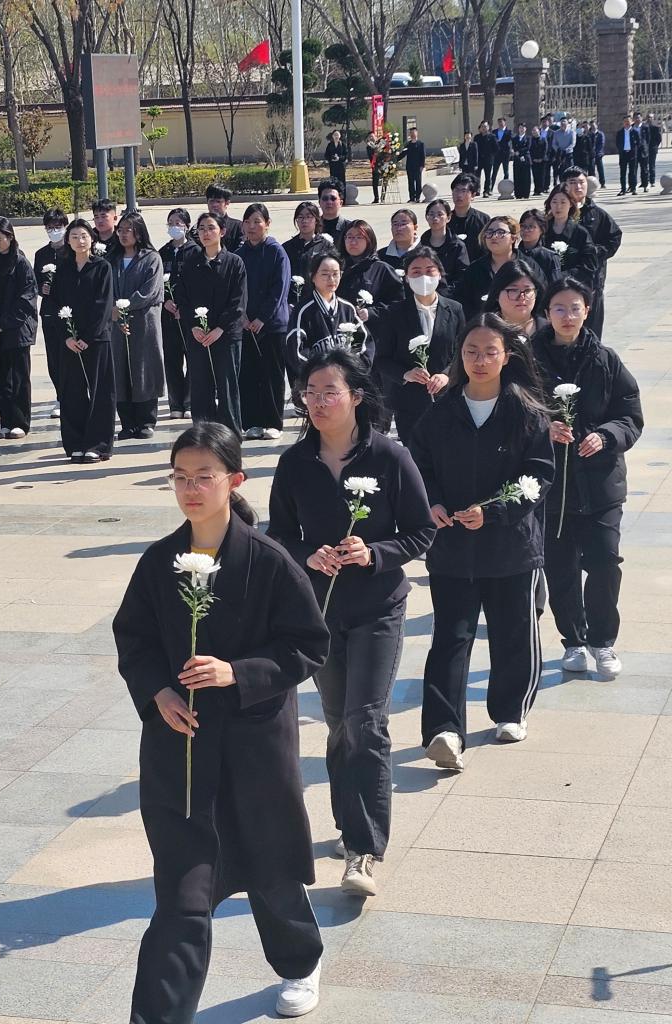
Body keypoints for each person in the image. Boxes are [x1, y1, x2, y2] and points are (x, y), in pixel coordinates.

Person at [114, 421, 330, 1024]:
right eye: (180, 477)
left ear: (234, 481)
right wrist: (158, 691)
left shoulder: (269, 561)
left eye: (204, 477)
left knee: (270, 870)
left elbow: (308, 646)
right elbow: (133, 639)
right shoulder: (159, 561)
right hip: (179, 749)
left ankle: (300, 962)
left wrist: (237, 672)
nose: (190, 489)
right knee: (181, 896)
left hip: (254, 745)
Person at [268, 349, 434, 896]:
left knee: (366, 722)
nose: (317, 402)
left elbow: (421, 532)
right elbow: (278, 535)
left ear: (356, 397)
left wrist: (375, 553)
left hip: (378, 608)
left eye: (329, 392)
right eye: (309, 392)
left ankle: (364, 849)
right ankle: (349, 826)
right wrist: (307, 555)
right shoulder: (295, 462)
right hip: (320, 612)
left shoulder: (390, 457)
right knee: (340, 724)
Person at [410, 314, 554, 769]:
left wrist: (493, 512)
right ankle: (443, 729)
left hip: (511, 547)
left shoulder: (526, 413)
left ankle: (510, 711)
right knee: (450, 638)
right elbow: (417, 465)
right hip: (452, 546)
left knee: (513, 634)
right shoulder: (442, 411)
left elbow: (538, 476)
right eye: (471, 351)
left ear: (506, 357)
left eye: (490, 352)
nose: (480, 360)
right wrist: (431, 502)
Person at [531, 278, 643, 680]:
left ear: (587, 311)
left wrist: (607, 435)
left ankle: (603, 641)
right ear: (547, 313)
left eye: (574, 308)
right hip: (553, 486)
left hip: (600, 483)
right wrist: (543, 428)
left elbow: (630, 414)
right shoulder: (528, 359)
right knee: (560, 567)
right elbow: (513, 409)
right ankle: (574, 641)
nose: (567, 316)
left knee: (605, 562)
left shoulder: (605, 359)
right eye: (559, 308)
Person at [378, 247, 465, 443]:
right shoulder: (394, 312)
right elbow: (382, 359)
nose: (423, 277)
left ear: (439, 274)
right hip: (409, 403)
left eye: (429, 270)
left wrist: (447, 374)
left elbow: (462, 351)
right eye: (416, 272)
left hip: (447, 399)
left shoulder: (455, 309)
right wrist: (405, 374)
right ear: (407, 277)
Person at [173, 211, 247, 437]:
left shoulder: (234, 262)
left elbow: (238, 302)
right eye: (202, 229)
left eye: (211, 228)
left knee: (227, 386)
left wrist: (219, 328)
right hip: (197, 335)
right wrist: (193, 326)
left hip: (226, 335)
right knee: (201, 385)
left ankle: (230, 436)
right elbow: (182, 298)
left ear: (222, 232)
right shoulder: (190, 264)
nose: (206, 233)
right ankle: (203, 435)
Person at [51, 218, 115, 463]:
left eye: (84, 236)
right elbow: (55, 304)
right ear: (68, 241)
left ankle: (98, 445)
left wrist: (87, 337)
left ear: (92, 239)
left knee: (100, 392)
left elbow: (103, 305)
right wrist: (67, 336)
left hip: (96, 339)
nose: (80, 241)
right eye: (75, 236)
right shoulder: (62, 269)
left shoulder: (102, 267)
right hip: (69, 341)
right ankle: (75, 442)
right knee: (72, 392)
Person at [0, 216, 38, 440]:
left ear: (10, 237)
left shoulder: (20, 262)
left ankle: (20, 422)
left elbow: (27, 298)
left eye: (0, 238)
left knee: (18, 378)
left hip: (16, 329)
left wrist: (3, 323)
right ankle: (6, 420)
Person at [237, 203, 290, 441]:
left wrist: (262, 318)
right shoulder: (240, 254)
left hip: (272, 326)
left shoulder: (277, 252)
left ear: (267, 224)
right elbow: (236, 290)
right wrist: (243, 316)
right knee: (249, 375)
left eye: (257, 221)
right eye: (247, 222)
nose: (252, 227)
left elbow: (279, 290)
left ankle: (273, 422)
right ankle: (252, 423)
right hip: (245, 324)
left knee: (272, 376)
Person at [112, 211, 165, 440]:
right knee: (120, 370)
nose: (124, 234)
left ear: (139, 232)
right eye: (120, 230)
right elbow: (105, 288)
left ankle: (146, 421)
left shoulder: (151, 258)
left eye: (129, 230)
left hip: (144, 322)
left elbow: (149, 291)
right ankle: (127, 423)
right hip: (116, 322)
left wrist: (124, 306)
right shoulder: (111, 259)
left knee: (144, 367)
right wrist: (113, 310)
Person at [562, 168, 622, 340]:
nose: (578, 187)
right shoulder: (557, 212)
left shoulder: (597, 214)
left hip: (592, 280)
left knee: (592, 329)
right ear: (564, 186)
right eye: (573, 183)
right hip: (563, 280)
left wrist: (594, 253)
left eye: (581, 182)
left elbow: (614, 238)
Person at [286, 250, 372, 369]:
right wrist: (321, 372)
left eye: (335, 274)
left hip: (346, 377)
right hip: (317, 377)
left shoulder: (348, 308)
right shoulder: (303, 311)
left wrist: (351, 370)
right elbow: (296, 353)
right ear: (312, 276)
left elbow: (364, 344)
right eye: (325, 274)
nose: (331, 279)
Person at [453, 216, 543, 319]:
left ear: (513, 238)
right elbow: (462, 302)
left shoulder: (529, 266)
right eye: (489, 232)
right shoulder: (475, 269)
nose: (494, 236)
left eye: (500, 232)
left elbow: (542, 299)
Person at [159, 208, 199, 419]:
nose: (174, 226)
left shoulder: (195, 251)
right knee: (172, 359)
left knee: (192, 358)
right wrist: (166, 300)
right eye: (170, 223)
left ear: (187, 226)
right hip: (168, 314)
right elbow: (157, 282)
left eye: (178, 223)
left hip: (188, 314)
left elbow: (198, 283)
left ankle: (190, 401)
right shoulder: (163, 252)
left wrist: (184, 306)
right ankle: (175, 403)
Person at [33, 206, 70, 420]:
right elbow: (35, 282)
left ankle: (75, 394)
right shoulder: (41, 254)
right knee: (54, 357)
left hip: (70, 311)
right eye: (50, 227)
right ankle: (60, 397)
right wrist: (42, 288)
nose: (54, 231)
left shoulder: (71, 251)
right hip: (49, 312)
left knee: (70, 355)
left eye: (58, 226)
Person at [335, 220, 402, 329]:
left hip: (373, 331)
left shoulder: (382, 269)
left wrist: (372, 312)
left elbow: (397, 303)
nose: (353, 242)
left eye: (359, 237)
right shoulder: (336, 268)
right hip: (340, 329)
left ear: (369, 240)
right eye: (349, 237)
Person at [543, 187, 599, 287]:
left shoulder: (580, 232)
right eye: (554, 202)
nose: (558, 206)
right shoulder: (543, 230)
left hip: (573, 285)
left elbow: (589, 264)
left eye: (563, 202)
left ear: (571, 204)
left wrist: (564, 276)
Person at [282, 201, 332, 309]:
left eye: (309, 217)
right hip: (292, 304)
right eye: (300, 217)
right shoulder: (287, 247)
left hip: (318, 302)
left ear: (316, 220)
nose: (304, 221)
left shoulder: (325, 246)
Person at [482, 259, 548, 340]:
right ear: (497, 294)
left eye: (527, 290)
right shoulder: (484, 331)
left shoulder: (551, 330)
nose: (522, 297)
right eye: (513, 290)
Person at [419, 199, 470, 289]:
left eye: (440, 214)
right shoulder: (421, 244)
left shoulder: (458, 246)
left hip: (451, 293)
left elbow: (462, 275)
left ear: (448, 218)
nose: (435, 218)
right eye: (431, 214)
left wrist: (446, 292)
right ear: (426, 217)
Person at [448, 173, 490, 261]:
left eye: (464, 191)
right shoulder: (445, 220)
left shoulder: (483, 219)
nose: (459, 195)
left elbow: (487, 248)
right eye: (456, 190)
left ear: (473, 195)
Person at [516, 209, 563, 285]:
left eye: (531, 227)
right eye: (523, 226)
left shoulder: (550, 258)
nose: (526, 230)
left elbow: (556, 286)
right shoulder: (513, 254)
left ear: (541, 230)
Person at [378, 208, 420, 276]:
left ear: (415, 228)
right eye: (395, 224)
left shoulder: (426, 253)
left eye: (403, 224)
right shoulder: (380, 256)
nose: (399, 228)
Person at [205, 183, 244, 252]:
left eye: (218, 201)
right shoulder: (200, 226)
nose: (214, 205)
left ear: (227, 203)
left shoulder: (238, 226)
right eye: (211, 201)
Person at [317, 178, 350, 247]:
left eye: (333, 198)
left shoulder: (350, 228)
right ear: (319, 202)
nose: (329, 202)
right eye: (325, 198)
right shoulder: (312, 227)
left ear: (341, 203)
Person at [398, 126, 426, 203]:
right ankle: (412, 197)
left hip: (418, 166)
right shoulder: (408, 144)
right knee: (410, 182)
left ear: (417, 133)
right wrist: (395, 159)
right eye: (410, 133)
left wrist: (422, 165)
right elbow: (403, 154)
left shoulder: (421, 144)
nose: (412, 134)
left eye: (413, 132)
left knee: (418, 182)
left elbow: (423, 156)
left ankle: (418, 197)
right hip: (409, 166)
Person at [91, 197, 123, 262]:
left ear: (115, 218)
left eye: (103, 216)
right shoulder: (90, 238)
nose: (100, 221)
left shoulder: (121, 238)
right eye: (96, 217)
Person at [615, 116, 639, 196]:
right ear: (623, 123)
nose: (627, 123)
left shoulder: (635, 132)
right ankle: (623, 189)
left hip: (632, 154)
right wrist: (621, 150)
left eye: (628, 121)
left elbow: (639, 142)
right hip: (623, 154)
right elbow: (617, 143)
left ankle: (633, 188)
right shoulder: (620, 132)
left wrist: (634, 150)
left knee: (633, 172)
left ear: (631, 122)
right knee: (623, 173)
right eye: (625, 121)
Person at [475, 121, 498, 196]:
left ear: (488, 127)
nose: (483, 128)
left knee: (487, 176)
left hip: (488, 159)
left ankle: (486, 191)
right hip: (479, 160)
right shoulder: (477, 137)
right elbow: (474, 149)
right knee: (477, 176)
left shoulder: (492, 136)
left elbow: (496, 148)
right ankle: (477, 189)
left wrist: (491, 156)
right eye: (482, 126)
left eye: (485, 126)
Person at [511, 122, 531, 199]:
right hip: (517, 159)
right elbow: (513, 147)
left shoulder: (528, 138)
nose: (521, 129)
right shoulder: (514, 138)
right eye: (520, 128)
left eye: (523, 128)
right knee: (517, 176)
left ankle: (525, 193)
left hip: (525, 159)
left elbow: (528, 147)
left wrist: (519, 152)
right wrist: (514, 152)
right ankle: (518, 194)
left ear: (525, 129)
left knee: (526, 177)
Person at [632, 112, 651, 192]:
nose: (637, 119)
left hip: (643, 151)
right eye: (635, 118)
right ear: (633, 119)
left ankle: (645, 184)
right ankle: (633, 186)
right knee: (633, 169)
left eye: (638, 118)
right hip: (634, 151)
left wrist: (645, 147)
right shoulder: (631, 128)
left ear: (641, 118)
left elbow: (648, 139)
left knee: (644, 169)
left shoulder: (645, 127)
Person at [529, 125, 549, 195]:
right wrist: (533, 158)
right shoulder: (531, 140)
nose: (534, 132)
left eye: (536, 131)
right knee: (535, 176)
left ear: (539, 131)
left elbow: (545, 150)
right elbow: (530, 150)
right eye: (533, 131)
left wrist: (541, 158)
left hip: (542, 161)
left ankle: (541, 190)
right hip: (534, 160)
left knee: (542, 176)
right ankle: (536, 190)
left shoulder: (543, 139)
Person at [645, 114, 662, 187]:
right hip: (644, 149)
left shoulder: (656, 128)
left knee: (652, 165)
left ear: (653, 118)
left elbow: (659, 139)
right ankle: (645, 180)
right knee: (645, 165)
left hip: (652, 148)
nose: (649, 119)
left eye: (651, 117)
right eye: (648, 117)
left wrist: (655, 146)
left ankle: (652, 181)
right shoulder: (644, 127)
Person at [366, 132, 383, 203]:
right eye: (370, 137)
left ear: (375, 136)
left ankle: (383, 197)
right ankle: (376, 198)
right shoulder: (369, 146)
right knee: (375, 183)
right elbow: (370, 156)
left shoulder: (381, 143)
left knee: (385, 181)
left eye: (372, 136)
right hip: (375, 165)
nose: (371, 138)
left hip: (383, 164)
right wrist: (375, 152)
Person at [589, 120, 607, 188]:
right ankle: (593, 184)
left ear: (596, 125)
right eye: (591, 126)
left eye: (594, 125)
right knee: (592, 170)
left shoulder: (600, 134)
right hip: (591, 155)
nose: (593, 127)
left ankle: (602, 183)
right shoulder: (589, 134)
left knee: (600, 169)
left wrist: (596, 152)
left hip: (598, 154)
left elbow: (601, 144)